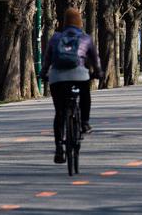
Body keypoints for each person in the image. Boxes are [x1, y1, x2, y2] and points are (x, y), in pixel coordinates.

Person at [39, 8, 103, 164]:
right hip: (79, 75)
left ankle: (59, 147)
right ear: (80, 23)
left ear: (64, 23)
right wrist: (98, 73)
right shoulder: (86, 38)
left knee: (59, 112)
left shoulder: (55, 38)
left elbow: (47, 60)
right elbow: (95, 60)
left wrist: (43, 73)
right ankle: (84, 122)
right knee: (85, 96)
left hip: (57, 77)